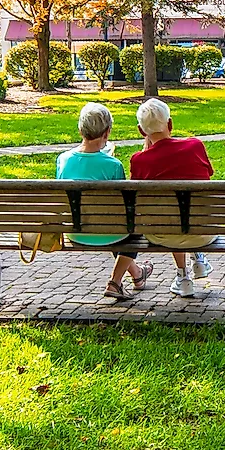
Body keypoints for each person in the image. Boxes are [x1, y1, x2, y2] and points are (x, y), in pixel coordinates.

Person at [56, 102, 151, 301]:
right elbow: (125, 205)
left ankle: (137, 274)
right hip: (107, 233)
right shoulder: (113, 165)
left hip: (75, 232)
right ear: (107, 133)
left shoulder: (63, 160)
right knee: (133, 226)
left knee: (108, 222)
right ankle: (115, 282)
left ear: (80, 129)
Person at [130, 97, 216, 297]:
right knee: (186, 211)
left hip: (161, 234)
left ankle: (183, 276)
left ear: (142, 131)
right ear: (170, 124)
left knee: (169, 216)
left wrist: (146, 151)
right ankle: (198, 259)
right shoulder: (195, 146)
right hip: (203, 232)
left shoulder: (139, 160)